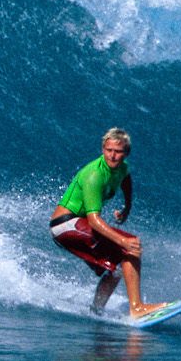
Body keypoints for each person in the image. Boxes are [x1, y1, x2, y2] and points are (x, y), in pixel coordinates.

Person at [50, 127, 164, 317]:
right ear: (103, 149)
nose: (112, 156)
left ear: (126, 153)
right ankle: (137, 308)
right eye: (108, 150)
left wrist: (127, 207)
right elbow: (94, 221)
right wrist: (122, 241)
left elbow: (125, 179)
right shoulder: (95, 175)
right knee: (129, 246)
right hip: (65, 225)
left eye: (118, 152)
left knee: (119, 266)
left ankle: (96, 311)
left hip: (78, 223)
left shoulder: (123, 167)